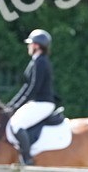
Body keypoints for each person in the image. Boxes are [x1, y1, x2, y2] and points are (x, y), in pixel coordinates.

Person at [6, 28, 60, 165]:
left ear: (36, 45)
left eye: (30, 44)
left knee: (16, 124)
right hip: (38, 102)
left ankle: (27, 158)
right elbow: (26, 87)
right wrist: (11, 104)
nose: (28, 46)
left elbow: (32, 89)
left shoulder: (40, 62)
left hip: (42, 103)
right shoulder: (37, 61)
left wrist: (16, 106)